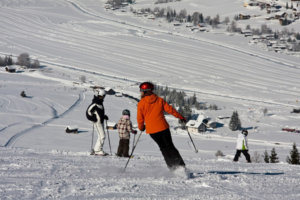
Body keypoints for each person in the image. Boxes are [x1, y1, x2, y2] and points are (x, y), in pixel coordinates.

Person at [137, 82, 186, 171]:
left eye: (141, 91)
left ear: (144, 91)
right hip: (163, 127)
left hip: (152, 131)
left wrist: (141, 127)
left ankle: (172, 167)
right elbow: (170, 109)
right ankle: (181, 166)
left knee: (163, 148)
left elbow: (140, 118)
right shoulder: (159, 100)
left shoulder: (141, 103)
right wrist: (180, 117)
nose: (140, 92)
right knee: (170, 146)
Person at [86, 89, 109, 156]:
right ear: (101, 95)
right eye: (104, 96)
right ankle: (97, 150)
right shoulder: (95, 103)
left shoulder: (100, 103)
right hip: (97, 122)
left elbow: (99, 113)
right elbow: (88, 112)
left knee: (101, 136)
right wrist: (93, 118)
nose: (104, 97)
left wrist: (104, 116)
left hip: (100, 122)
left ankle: (97, 149)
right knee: (102, 136)